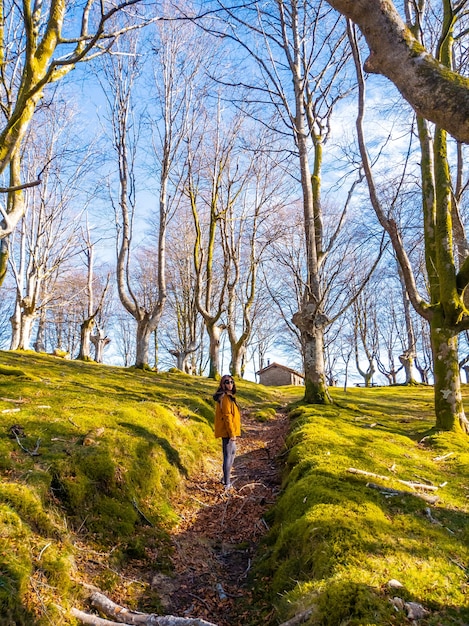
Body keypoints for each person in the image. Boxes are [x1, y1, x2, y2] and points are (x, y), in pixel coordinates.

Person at [213, 375, 241, 490]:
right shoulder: (224, 398)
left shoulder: (229, 397)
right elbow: (227, 417)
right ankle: (226, 483)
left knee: (232, 453)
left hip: (230, 431)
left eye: (231, 382)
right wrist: (232, 433)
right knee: (228, 455)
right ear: (222, 384)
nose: (230, 384)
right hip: (227, 432)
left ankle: (225, 478)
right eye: (227, 382)